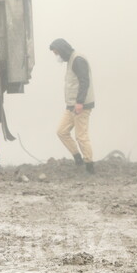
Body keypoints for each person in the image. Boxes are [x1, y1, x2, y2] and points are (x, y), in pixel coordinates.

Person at [49, 38, 96, 174]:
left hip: (81, 105)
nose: (57, 56)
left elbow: (84, 81)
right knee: (61, 131)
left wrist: (80, 102)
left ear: (62, 50)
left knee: (81, 136)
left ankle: (89, 165)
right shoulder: (70, 60)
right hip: (71, 106)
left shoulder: (78, 60)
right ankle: (78, 158)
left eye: (57, 53)